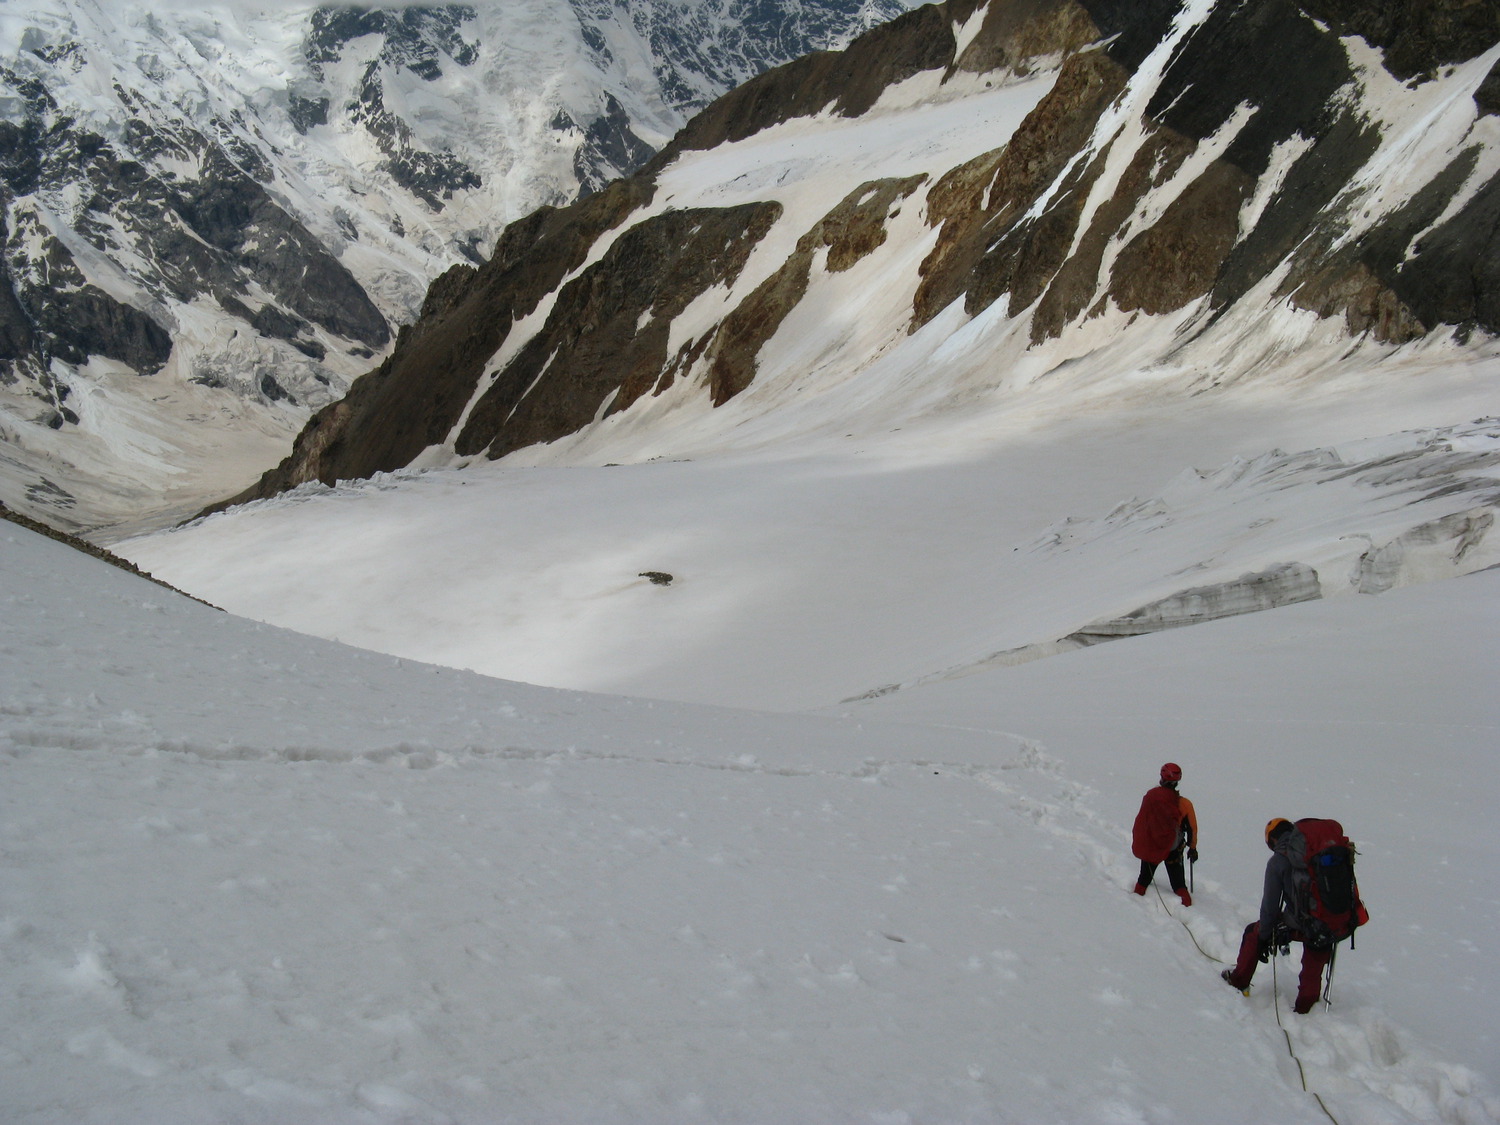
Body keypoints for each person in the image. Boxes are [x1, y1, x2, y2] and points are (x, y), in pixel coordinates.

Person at [1220, 818, 1331, 1013]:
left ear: (1273, 840)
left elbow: (1270, 907)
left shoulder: (1279, 861)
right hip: (1333, 921)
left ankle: (1239, 980)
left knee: (1253, 932)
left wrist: (1264, 935)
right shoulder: (1319, 852)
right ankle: (1307, 1007)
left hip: (1302, 922)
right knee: (1317, 944)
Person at [1131, 762, 1198, 905]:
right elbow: (1192, 828)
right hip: (1173, 846)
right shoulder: (1185, 804)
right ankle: (1188, 906)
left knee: (1143, 879)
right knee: (1179, 884)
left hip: (1152, 844)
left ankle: (1134, 903)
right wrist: (1192, 848)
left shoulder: (1151, 796)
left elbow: (1144, 821)